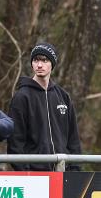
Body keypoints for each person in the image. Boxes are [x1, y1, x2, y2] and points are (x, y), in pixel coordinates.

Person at [8, 43, 82, 171]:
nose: (39, 65)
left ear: (52, 64)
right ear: (32, 63)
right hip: (34, 174)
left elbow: (73, 139)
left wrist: (74, 170)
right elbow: (15, 141)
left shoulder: (63, 96)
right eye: (36, 60)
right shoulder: (22, 97)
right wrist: (25, 172)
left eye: (45, 60)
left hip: (63, 173)